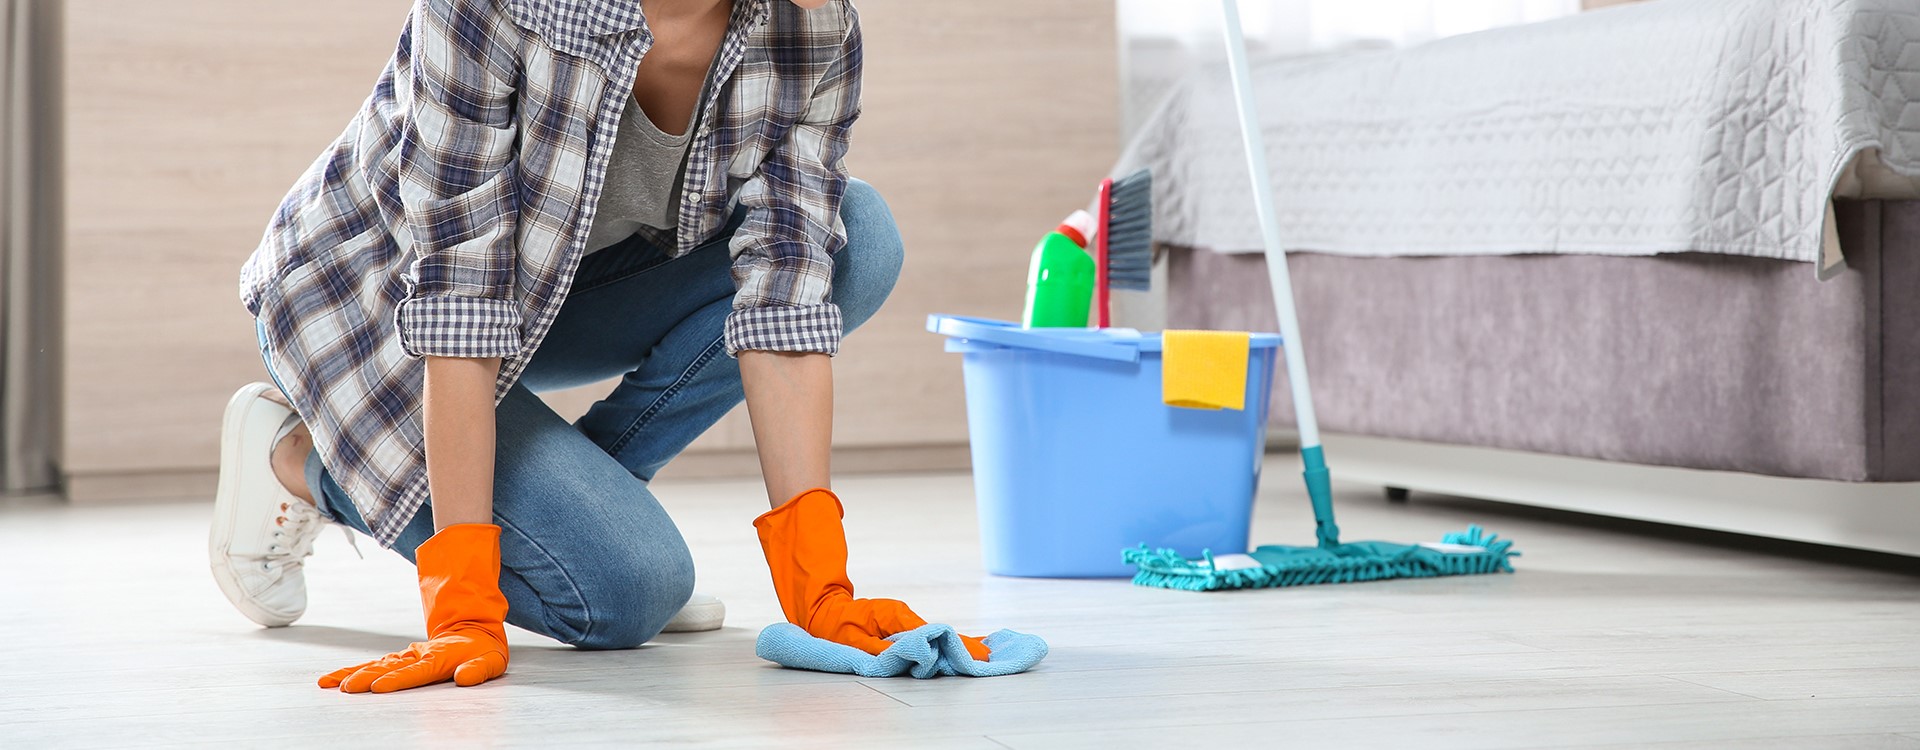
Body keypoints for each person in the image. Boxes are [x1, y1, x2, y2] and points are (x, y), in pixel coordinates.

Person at [210, 0, 991, 694]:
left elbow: (785, 288)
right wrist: (462, 605)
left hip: (558, 290)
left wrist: (820, 586)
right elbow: (460, 300)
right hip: (370, 302)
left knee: (858, 239)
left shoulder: (811, 22)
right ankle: (294, 456)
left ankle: (591, 507)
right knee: (626, 592)